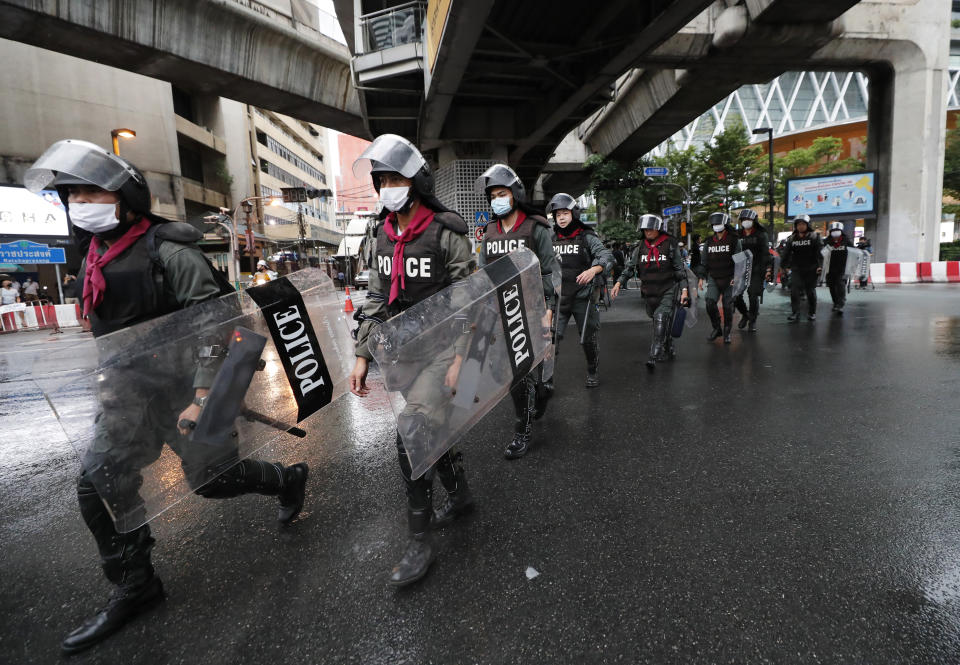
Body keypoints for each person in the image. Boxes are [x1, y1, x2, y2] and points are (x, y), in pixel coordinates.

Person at [24, 139, 310, 655]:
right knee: (98, 485)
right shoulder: (94, 252)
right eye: (73, 194)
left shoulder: (170, 250)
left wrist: (203, 394)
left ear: (124, 196)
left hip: (186, 391)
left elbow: (217, 323)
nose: (80, 203)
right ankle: (136, 585)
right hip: (130, 396)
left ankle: (287, 478)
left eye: (92, 192)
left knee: (212, 481)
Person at [348, 134, 476, 587]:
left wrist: (462, 358)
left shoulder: (447, 231)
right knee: (433, 429)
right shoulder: (382, 233)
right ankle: (460, 495)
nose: (387, 186)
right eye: (381, 179)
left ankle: (419, 541)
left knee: (414, 433)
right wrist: (362, 354)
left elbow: (468, 298)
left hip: (443, 348)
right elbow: (377, 296)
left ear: (416, 180)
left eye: (395, 177)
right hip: (402, 351)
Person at [477, 164, 558, 460]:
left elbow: (549, 272)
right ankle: (537, 393)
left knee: (522, 371)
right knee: (513, 372)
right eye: (493, 195)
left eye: (502, 193)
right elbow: (484, 275)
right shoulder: (489, 233)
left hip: (532, 307)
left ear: (515, 194)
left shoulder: (535, 227)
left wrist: (548, 311)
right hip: (502, 310)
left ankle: (521, 432)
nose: (498, 199)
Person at [548, 192, 613, 387]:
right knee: (552, 341)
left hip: (583, 297)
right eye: (557, 214)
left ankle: (592, 369)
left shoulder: (586, 236)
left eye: (565, 213)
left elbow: (606, 255)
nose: (561, 217)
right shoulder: (551, 239)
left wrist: (594, 269)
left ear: (573, 213)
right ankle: (547, 379)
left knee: (588, 339)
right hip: (559, 297)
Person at [610, 214, 689, 369]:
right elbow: (630, 268)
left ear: (658, 228)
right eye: (645, 229)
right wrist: (619, 283)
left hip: (667, 289)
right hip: (648, 291)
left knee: (661, 317)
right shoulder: (640, 247)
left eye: (651, 229)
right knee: (657, 319)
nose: (648, 232)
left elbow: (680, 270)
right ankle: (667, 342)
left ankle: (654, 354)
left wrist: (684, 290)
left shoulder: (670, 244)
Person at [694, 213, 741, 344]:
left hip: (730, 278)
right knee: (709, 302)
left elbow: (740, 261)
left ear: (725, 225)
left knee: (727, 306)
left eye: (718, 224)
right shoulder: (709, 241)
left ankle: (727, 332)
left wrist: (737, 277)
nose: (716, 226)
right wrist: (701, 277)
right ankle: (716, 328)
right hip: (714, 277)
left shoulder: (734, 240)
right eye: (714, 224)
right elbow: (703, 262)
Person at [732, 209, 772, 332]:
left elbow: (766, 253)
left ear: (754, 221)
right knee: (736, 295)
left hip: (756, 269)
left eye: (748, 220)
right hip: (741, 269)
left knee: (753, 295)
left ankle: (753, 320)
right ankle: (745, 314)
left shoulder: (761, 234)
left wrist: (768, 269)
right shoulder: (737, 235)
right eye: (743, 220)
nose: (746, 222)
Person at [780, 214, 823, 322]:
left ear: (807, 225)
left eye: (803, 224)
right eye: (798, 224)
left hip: (811, 269)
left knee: (810, 291)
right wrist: (783, 267)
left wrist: (820, 266)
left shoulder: (815, 237)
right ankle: (795, 313)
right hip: (797, 269)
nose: (800, 226)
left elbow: (820, 254)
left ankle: (812, 313)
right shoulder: (792, 239)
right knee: (794, 291)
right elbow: (786, 254)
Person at [824, 221, 854, 314]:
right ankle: (836, 303)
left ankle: (840, 304)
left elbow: (853, 252)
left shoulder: (846, 241)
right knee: (832, 287)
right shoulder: (827, 241)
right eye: (833, 230)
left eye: (837, 230)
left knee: (840, 285)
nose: (835, 232)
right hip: (830, 268)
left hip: (843, 268)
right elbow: (821, 253)